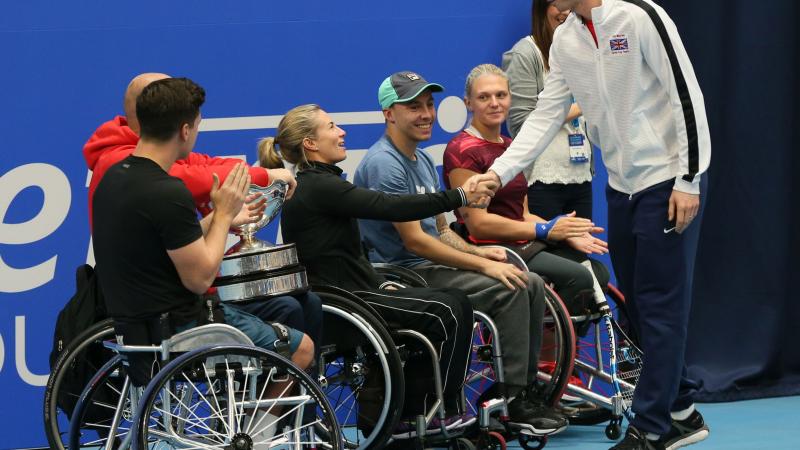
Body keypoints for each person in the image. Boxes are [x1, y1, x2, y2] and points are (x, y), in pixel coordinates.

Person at [468, 1, 712, 449]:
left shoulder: (639, 16)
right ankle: (681, 406)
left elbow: (686, 96)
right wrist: (499, 173)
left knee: (661, 306)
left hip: (667, 180)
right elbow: (546, 114)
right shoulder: (565, 38)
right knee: (637, 303)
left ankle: (653, 427)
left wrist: (689, 179)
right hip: (622, 188)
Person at [354, 71, 568, 436]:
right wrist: (481, 262)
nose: (425, 114)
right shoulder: (384, 163)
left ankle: (523, 391)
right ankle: (512, 400)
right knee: (511, 286)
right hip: (400, 272)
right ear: (389, 114)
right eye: (413, 107)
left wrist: (483, 255)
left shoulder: (421, 159)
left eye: (428, 105)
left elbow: (439, 230)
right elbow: (415, 242)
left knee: (528, 282)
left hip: (427, 263)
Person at [258, 104, 492, 438]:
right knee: (447, 310)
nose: (342, 133)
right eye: (332, 126)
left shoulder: (322, 183)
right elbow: (389, 206)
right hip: (341, 302)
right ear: (311, 143)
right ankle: (423, 412)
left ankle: (413, 410)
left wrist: (381, 284)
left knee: (453, 300)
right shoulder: (318, 187)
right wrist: (459, 195)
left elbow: (347, 257)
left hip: (356, 291)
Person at [84, 72, 321, 361]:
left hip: (144, 317)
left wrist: (216, 221)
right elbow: (199, 278)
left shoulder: (115, 178)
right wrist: (222, 215)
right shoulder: (166, 188)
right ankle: (256, 409)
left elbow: (158, 237)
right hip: (179, 322)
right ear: (185, 130)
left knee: (297, 305)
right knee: (303, 348)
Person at [444, 64, 609, 314]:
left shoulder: (512, 147)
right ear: (468, 103)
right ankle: (543, 350)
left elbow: (523, 213)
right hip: (490, 246)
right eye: (483, 97)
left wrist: (564, 232)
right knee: (578, 278)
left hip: (522, 243)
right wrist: (545, 230)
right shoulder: (461, 149)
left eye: (501, 95)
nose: (494, 103)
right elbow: (479, 224)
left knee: (598, 273)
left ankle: (555, 346)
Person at [502, 0, 594, 221]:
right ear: (542, 9)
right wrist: (582, 105)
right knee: (551, 253)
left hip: (580, 174)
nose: (565, 12)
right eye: (557, 4)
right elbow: (521, 124)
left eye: (570, 4)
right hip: (540, 179)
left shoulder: (579, 49)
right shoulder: (525, 53)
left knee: (582, 253)